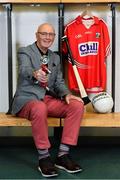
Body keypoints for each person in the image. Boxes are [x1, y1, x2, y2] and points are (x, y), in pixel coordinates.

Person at [11, 23, 84, 178]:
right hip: (27, 100)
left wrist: (66, 95)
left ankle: (62, 156)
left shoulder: (55, 57)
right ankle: (44, 158)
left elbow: (58, 82)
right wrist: (35, 73)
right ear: (37, 35)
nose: (47, 37)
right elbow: (24, 69)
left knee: (77, 105)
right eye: (44, 34)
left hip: (48, 99)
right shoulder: (25, 51)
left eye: (51, 35)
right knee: (39, 108)